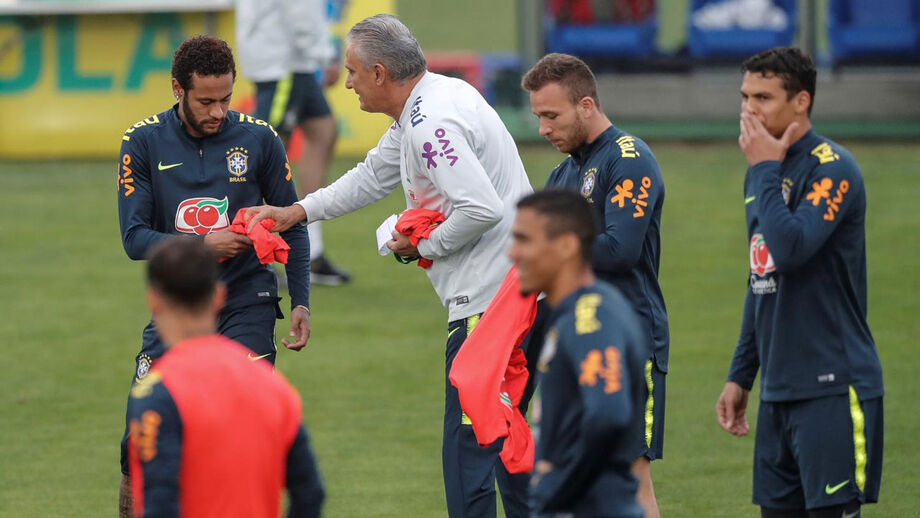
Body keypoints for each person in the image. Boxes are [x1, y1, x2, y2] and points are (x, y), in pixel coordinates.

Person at [244, 14, 536, 518]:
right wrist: (297, 211)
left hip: (490, 304)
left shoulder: (429, 123)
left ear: (380, 72)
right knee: (509, 448)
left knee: (467, 456)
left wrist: (422, 247)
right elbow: (370, 176)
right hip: (513, 290)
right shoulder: (429, 103)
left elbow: (481, 208)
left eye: (354, 71)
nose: (348, 82)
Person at [116, 35, 310, 517]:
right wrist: (204, 245)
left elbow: (294, 223)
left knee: (242, 422)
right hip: (179, 302)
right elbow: (135, 238)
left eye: (226, 98)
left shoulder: (260, 138)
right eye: (206, 101)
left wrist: (302, 300)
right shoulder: (141, 142)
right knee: (135, 442)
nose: (219, 111)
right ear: (177, 89)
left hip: (248, 294)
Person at [715, 47, 884, 517]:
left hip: (831, 386)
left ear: (801, 101)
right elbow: (762, 275)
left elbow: (790, 251)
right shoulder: (761, 175)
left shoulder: (832, 168)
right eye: (745, 96)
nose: (749, 109)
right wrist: (741, 374)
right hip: (778, 391)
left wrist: (765, 169)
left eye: (763, 97)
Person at [521, 53, 668, 517]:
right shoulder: (562, 173)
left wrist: (553, 254)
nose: (543, 128)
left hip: (628, 337)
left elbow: (620, 250)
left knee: (631, 477)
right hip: (569, 340)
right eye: (538, 117)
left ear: (586, 105)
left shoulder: (628, 158)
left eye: (551, 115)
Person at [127, 236, 324, 518]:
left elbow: (160, 503)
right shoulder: (271, 386)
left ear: (154, 301)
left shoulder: (157, 393)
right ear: (218, 297)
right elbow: (310, 493)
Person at [509, 190, 648, 518]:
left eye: (524, 240)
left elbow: (608, 413)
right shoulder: (575, 313)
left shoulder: (592, 317)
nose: (512, 253)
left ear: (567, 246)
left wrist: (557, 486)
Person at [236, 0, 352, 286]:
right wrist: (325, 55)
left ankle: (310, 251)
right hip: (282, 60)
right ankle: (253, 256)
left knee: (323, 133)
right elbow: (299, 10)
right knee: (268, 155)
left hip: (288, 57)